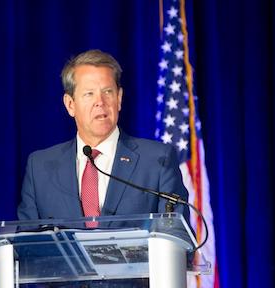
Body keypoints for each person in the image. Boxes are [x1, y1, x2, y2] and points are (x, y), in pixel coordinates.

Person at [17, 49, 190, 287]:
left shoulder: (157, 159)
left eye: (108, 92)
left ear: (119, 98)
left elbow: (176, 238)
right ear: (70, 104)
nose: (100, 102)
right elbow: (25, 245)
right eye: (89, 94)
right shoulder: (40, 166)